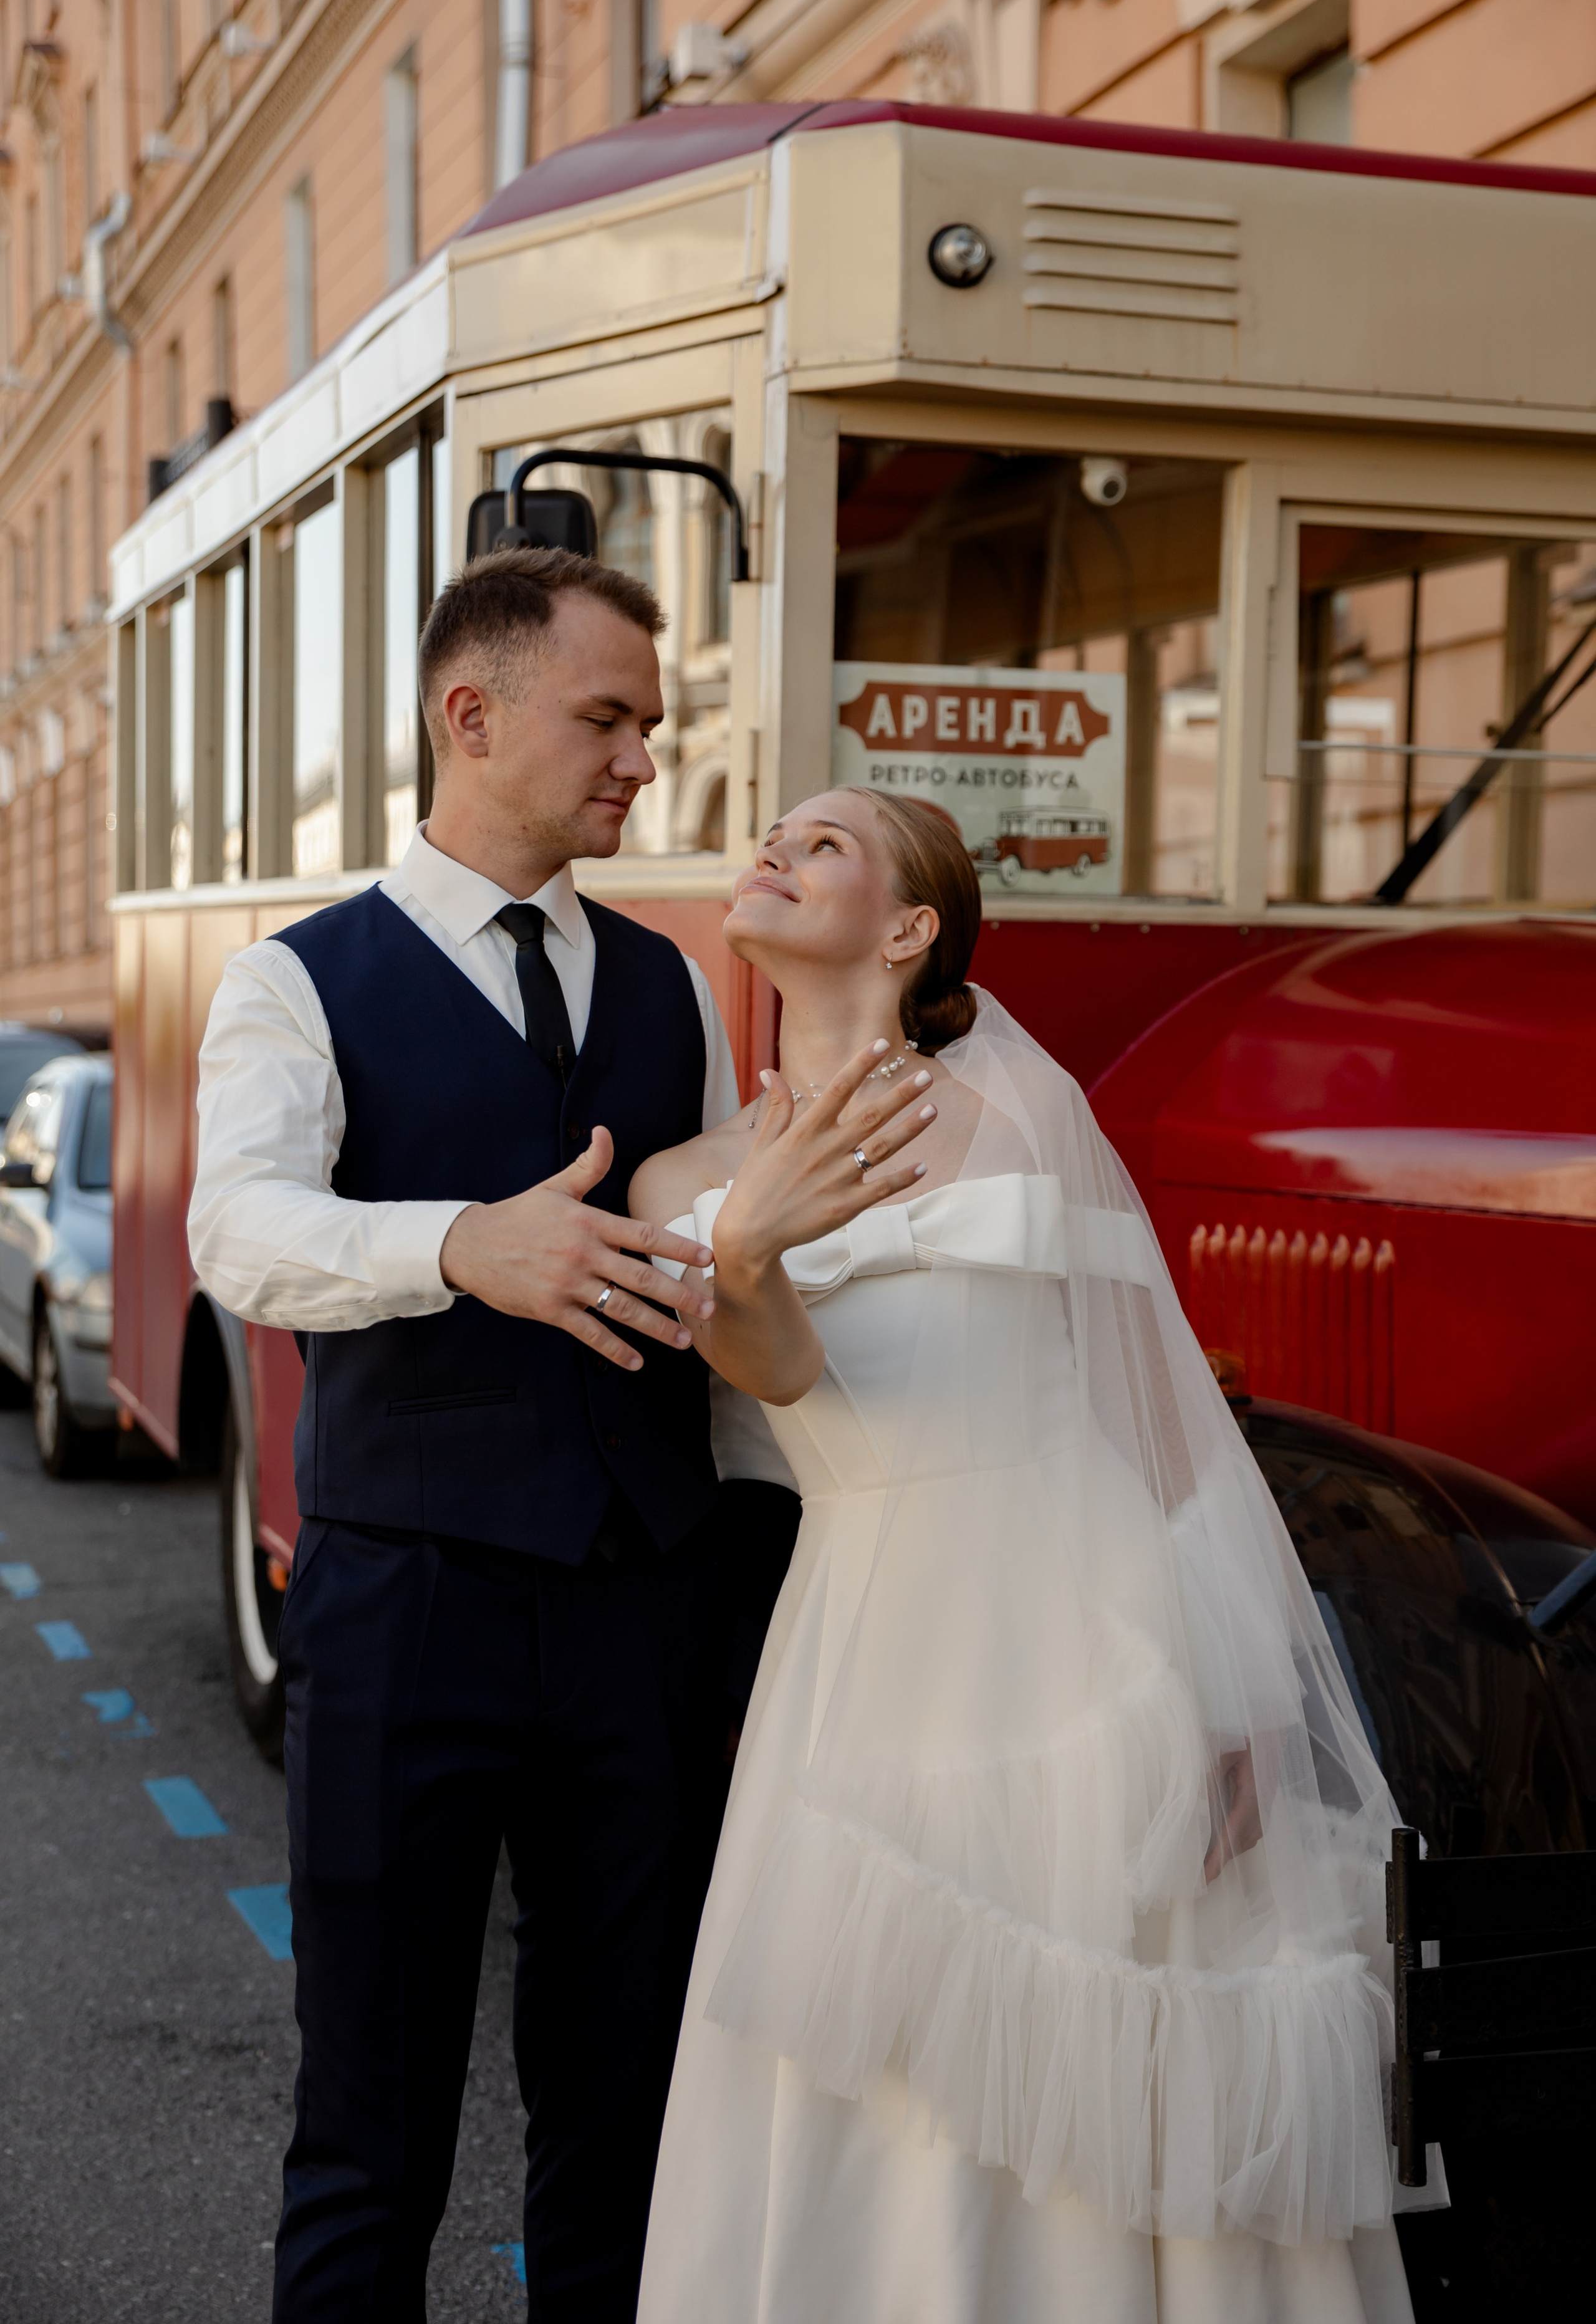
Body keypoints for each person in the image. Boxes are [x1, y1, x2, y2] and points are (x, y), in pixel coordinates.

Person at [630, 788, 1417, 2324]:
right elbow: (775, 1376)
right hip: (871, 1652)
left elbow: (1164, 1431)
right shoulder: (683, 1180)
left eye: (826, 841)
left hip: (1099, 1649)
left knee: (1112, 2102)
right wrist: (745, 1242)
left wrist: (1233, 1690)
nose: (775, 849)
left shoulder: (1021, 1114)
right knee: (891, 2089)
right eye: (772, 834)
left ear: (909, 927)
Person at [188, 547, 799, 2323]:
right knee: (369, 2140)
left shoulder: (674, 987)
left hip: (644, 1617)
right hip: (409, 1614)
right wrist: (461, 1241)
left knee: (627, 2126)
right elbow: (238, 1232)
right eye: (608, 719)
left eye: (650, 726)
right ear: (474, 714)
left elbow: (698, 1286)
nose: (642, 761)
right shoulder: (296, 984)